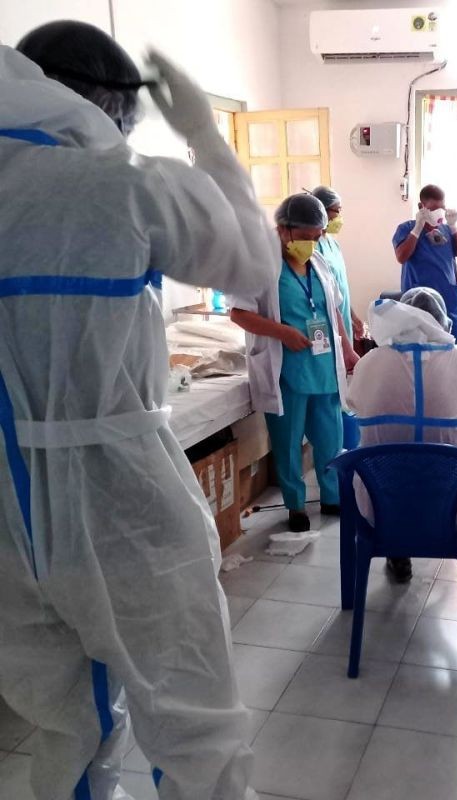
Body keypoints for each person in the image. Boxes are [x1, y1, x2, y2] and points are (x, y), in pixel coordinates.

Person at [1, 21, 276, 800]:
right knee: (191, 722)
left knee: (64, 725)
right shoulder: (122, 182)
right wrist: (204, 135)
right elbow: (252, 260)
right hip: (120, 495)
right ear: (110, 108)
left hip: (2, 517)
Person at [348, 287, 457, 582]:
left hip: (381, 507)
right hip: (456, 508)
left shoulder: (370, 365)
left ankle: (397, 548)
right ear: (445, 323)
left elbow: (357, 412)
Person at [230, 193, 359, 532]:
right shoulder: (259, 265)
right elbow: (239, 313)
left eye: (317, 237)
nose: (313, 244)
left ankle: (331, 497)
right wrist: (282, 332)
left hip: (324, 365)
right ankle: (296, 506)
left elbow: (334, 311)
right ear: (283, 230)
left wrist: (347, 348)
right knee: (287, 443)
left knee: (330, 437)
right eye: (306, 237)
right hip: (286, 368)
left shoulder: (320, 263)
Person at [392, 184, 457, 344]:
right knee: (422, 356)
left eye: (442, 207)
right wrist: (417, 229)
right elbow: (401, 257)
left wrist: (454, 227)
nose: (439, 212)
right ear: (422, 207)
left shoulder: (447, 230)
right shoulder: (406, 229)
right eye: (434, 208)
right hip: (419, 304)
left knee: (453, 354)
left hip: (449, 303)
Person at [311, 185, 364, 341]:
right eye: (337, 210)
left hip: (343, 317)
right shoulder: (313, 246)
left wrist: (352, 315)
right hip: (327, 319)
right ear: (323, 211)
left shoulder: (333, 244)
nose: (340, 216)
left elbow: (340, 288)